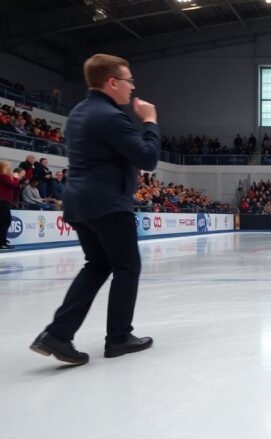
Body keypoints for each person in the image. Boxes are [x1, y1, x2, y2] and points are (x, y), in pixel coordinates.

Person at [30, 54, 160, 365]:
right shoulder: (111, 117)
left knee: (98, 265)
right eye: (128, 80)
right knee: (127, 267)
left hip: (80, 202)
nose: (132, 87)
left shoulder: (78, 112)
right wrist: (151, 121)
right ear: (112, 82)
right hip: (108, 204)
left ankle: (58, 334)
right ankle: (118, 337)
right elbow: (148, 159)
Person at [0, 160, 21, 249]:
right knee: (5, 221)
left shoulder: (6, 176)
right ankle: (2, 242)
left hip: (5, 201)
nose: (10, 168)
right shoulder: (3, 176)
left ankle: (3, 240)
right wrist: (16, 178)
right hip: (2, 201)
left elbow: (14, 187)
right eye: (8, 166)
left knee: (5, 221)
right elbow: (13, 184)